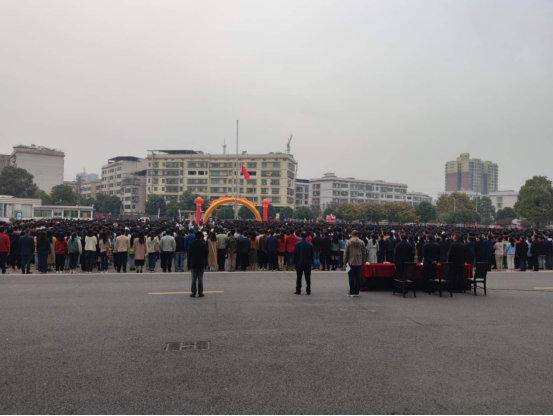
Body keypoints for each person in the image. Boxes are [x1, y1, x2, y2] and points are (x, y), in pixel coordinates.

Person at [344, 230, 367, 297]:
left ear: (352, 234)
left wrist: (345, 261)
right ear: (358, 234)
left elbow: (346, 253)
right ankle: (357, 292)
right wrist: (363, 261)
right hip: (359, 262)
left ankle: (351, 292)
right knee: (358, 277)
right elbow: (364, 253)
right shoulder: (362, 242)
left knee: (351, 277)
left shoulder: (349, 242)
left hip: (351, 261)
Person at [188, 231, 208, 297]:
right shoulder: (204, 244)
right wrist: (206, 263)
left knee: (194, 278)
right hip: (201, 262)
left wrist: (189, 264)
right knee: (200, 278)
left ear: (195, 236)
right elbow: (206, 254)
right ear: (201, 236)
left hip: (193, 262)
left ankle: (193, 292)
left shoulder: (192, 244)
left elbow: (189, 255)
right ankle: (200, 292)